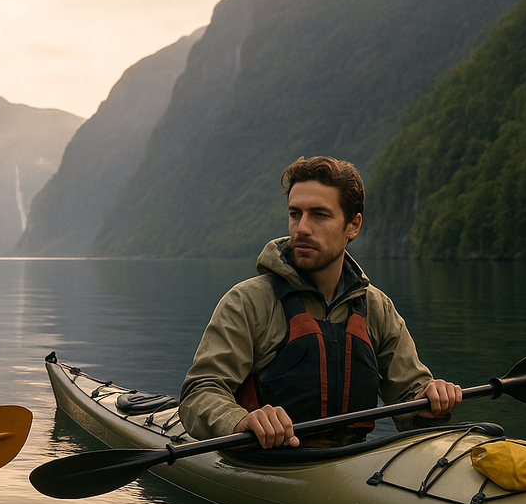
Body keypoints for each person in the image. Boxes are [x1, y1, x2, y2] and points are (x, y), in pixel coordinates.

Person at [179, 155, 461, 448]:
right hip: (266, 460)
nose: (301, 228)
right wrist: (237, 421)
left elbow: (411, 399)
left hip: (357, 460)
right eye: (295, 214)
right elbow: (200, 393)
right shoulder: (247, 303)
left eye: (319, 215)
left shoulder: (377, 308)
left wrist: (431, 400)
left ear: (353, 226)